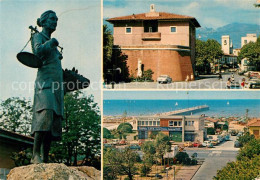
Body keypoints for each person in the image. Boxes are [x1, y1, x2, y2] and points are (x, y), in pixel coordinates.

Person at [30, 10, 64, 164]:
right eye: (51, 19)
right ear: (43, 21)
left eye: (56, 19)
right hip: (44, 84)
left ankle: (45, 157)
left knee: (53, 120)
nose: (54, 22)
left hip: (56, 86)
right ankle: (35, 154)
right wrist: (51, 43)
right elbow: (37, 52)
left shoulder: (55, 47)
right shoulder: (38, 36)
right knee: (45, 114)